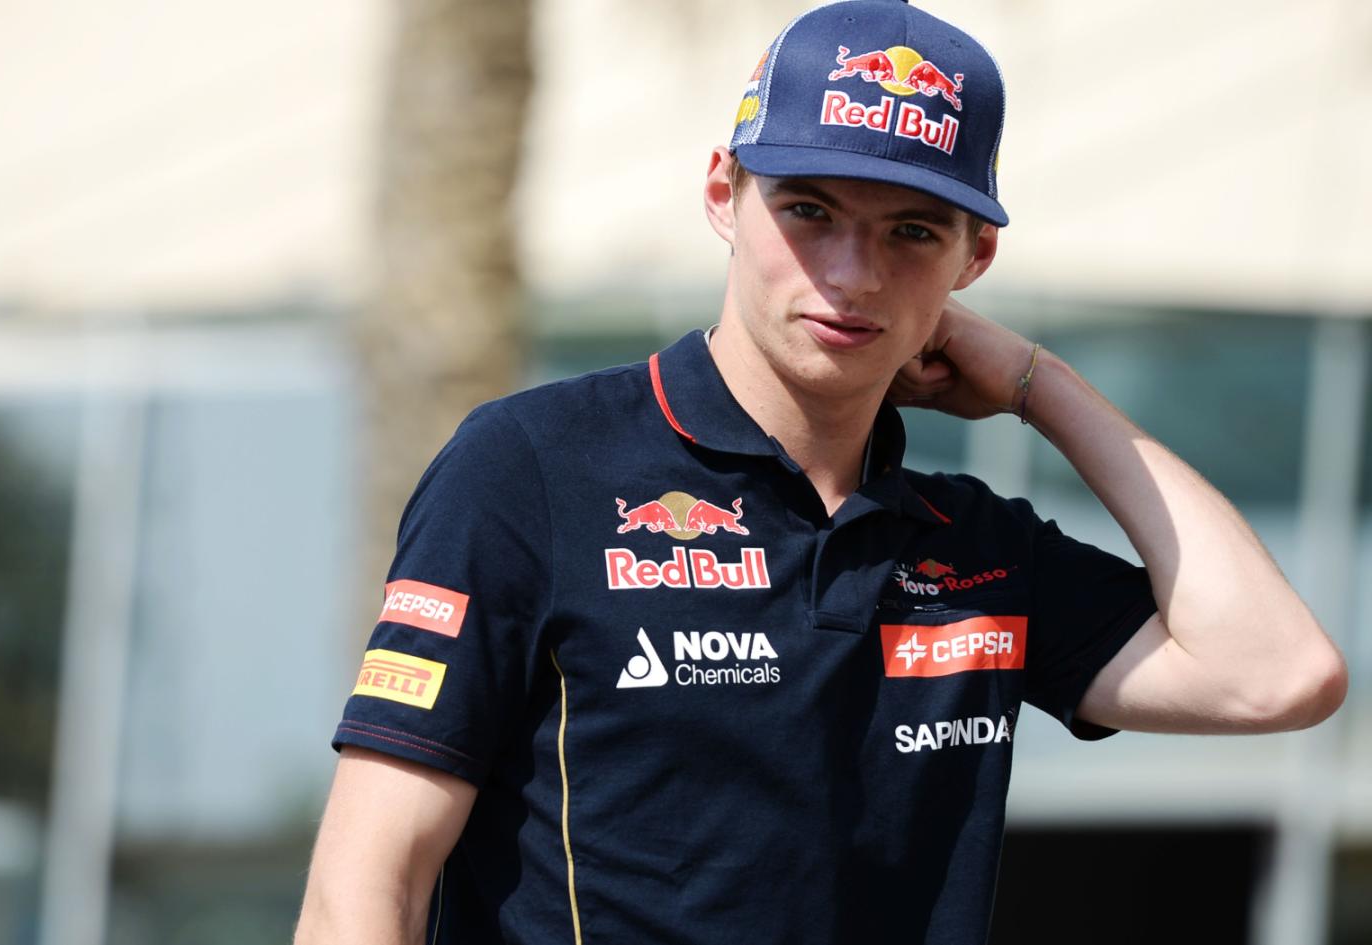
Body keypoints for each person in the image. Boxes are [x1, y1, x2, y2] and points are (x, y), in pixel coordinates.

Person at [293, 1, 1348, 942]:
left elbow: (1278, 673)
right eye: (809, 212)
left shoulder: (974, 549)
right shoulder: (535, 464)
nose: (853, 275)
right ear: (724, 193)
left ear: (974, 260)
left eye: (912, 233)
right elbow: (365, 889)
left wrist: (1043, 386)